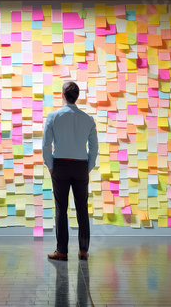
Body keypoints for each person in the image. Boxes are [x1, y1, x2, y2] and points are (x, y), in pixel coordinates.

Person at [42, 81, 98, 261]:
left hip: (60, 166)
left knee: (61, 209)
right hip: (81, 165)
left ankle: (62, 251)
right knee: (82, 209)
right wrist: (87, 167)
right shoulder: (88, 119)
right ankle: (83, 250)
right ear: (78, 96)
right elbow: (94, 148)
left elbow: (45, 145)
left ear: (62, 95)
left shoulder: (53, 116)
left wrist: (50, 165)